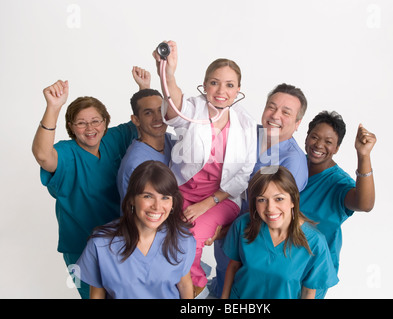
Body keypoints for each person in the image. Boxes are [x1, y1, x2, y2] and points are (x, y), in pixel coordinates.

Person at [153, 40, 257, 298]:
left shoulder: (246, 123)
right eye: (214, 82)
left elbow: (244, 174)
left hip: (221, 198)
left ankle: (190, 288)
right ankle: (167, 285)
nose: (221, 90)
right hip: (180, 191)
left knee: (192, 235)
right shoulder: (194, 108)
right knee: (160, 235)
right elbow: (174, 110)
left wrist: (207, 204)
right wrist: (169, 74)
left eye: (229, 85)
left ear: (238, 90)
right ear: (205, 84)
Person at [31, 72, 143, 298]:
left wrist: (144, 87)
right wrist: (53, 107)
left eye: (95, 121)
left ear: (105, 121)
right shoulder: (66, 152)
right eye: (81, 123)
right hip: (80, 245)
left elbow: (144, 120)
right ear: (71, 127)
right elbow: (43, 156)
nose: (90, 128)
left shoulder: (114, 138)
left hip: (122, 240)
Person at [210, 82, 310, 297]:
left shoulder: (293, 163)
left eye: (286, 112)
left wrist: (225, 232)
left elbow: (273, 215)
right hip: (222, 232)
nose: (275, 115)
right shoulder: (249, 134)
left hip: (249, 246)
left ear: (298, 123)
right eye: (272, 107)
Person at [76, 160, 196, 299]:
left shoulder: (182, 240)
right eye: (148, 196)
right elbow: (97, 295)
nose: (157, 206)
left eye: (165, 197)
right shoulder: (101, 244)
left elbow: (185, 285)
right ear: (132, 199)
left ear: (173, 203)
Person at [221, 166, 338, 299]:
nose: (270, 208)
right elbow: (233, 267)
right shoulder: (242, 225)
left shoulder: (315, 242)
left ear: (293, 200)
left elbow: (308, 292)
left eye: (279, 199)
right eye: (262, 200)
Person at [300, 111, 376, 298]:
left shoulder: (338, 182)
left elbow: (364, 204)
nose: (318, 145)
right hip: (278, 261)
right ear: (306, 137)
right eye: (315, 137)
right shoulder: (293, 165)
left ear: (337, 148)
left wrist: (363, 155)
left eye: (328, 142)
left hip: (311, 270)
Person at [117, 66, 175, 205]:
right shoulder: (135, 164)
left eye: (160, 110)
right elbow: (138, 216)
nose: (158, 118)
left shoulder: (172, 142)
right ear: (135, 120)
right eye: (148, 113)